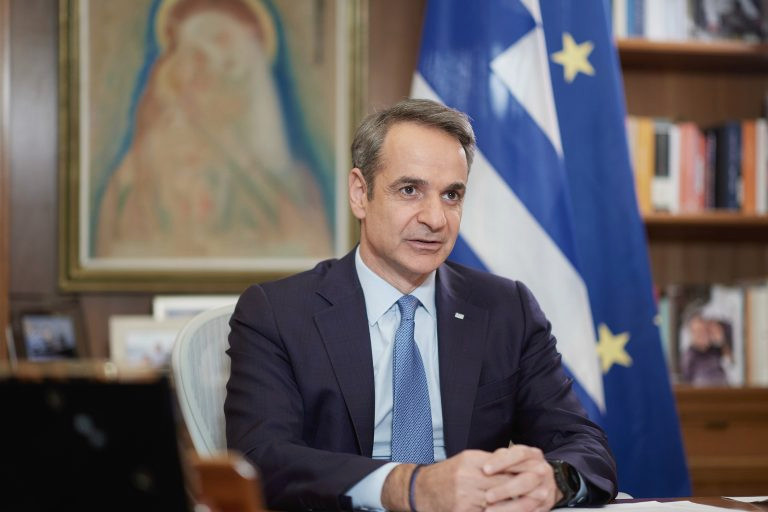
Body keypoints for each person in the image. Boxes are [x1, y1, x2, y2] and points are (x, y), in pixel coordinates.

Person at [225, 99, 617, 511]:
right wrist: (405, 487)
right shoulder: (276, 313)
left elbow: (584, 444)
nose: (435, 218)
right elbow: (261, 459)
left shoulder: (507, 309)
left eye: (451, 195)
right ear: (360, 194)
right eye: (410, 190)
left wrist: (554, 480)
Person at [96, 0, 332, 259]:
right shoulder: (144, 164)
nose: (203, 79)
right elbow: (119, 246)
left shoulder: (292, 181)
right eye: (193, 60)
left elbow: (311, 250)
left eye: (221, 68)